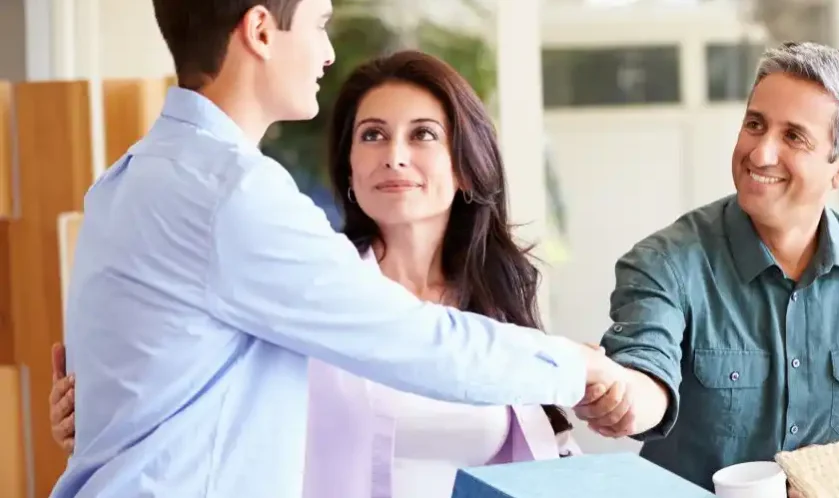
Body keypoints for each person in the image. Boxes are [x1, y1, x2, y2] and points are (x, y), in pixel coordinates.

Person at [51, 2, 622, 497]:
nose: (327, 52)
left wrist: (103, 411)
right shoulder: (232, 192)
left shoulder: (125, 181)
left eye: (423, 135)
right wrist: (579, 364)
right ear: (260, 30)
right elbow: (411, 339)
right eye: (319, 23)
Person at [572, 42, 839, 491]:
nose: (760, 154)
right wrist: (621, 394)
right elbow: (646, 373)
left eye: (794, 137)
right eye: (754, 125)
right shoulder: (665, 263)